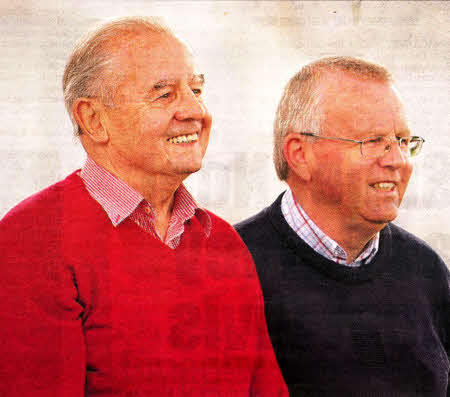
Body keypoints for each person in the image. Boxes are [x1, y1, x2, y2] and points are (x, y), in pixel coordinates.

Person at [0, 17, 287, 397]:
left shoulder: (225, 242)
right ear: (93, 119)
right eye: (164, 94)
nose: (195, 110)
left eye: (197, 90)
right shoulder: (31, 240)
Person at [235, 57, 450, 396]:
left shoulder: (426, 270)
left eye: (403, 141)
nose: (397, 160)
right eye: (373, 141)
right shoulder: (233, 268)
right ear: (300, 154)